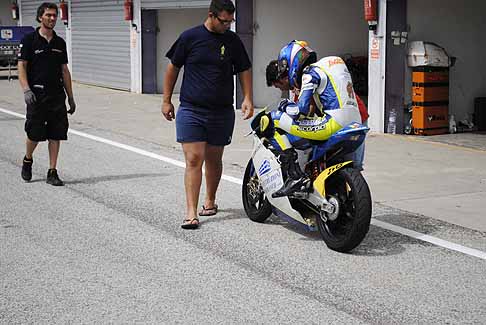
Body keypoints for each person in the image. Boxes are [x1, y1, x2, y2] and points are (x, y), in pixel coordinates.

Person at [162, 0, 253, 229]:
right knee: (194, 159)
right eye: (224, 21)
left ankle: (210, 200)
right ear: (211, 15)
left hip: (221, 111)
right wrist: (166, 100)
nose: (228, 26)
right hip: (192, 109)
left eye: (231, 21)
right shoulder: (190, 37)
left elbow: (244, 68)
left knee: (214, 159)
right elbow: (173, 67)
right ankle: (191, 212)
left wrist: (248, 99)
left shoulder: (232, 41)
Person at [264, 40, 362, 198]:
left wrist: (284, 105)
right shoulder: (329, 65)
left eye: (286, 67)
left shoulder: (310, 73)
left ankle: (294, 177)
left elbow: (300, 109)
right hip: (355, 122)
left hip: (333, 123)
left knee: (273, 120)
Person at [17, 2, 76, 186]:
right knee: (34, 134)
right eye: (48, 15)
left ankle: (52, 171)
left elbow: (64, 70)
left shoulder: (60, 43)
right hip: (36, 95)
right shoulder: (29, 40)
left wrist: (71, 98)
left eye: (54, 15)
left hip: (56, 95)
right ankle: (28, 159)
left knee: (56, 134)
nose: (52, 18)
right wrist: (26, 89)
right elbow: (22, 66)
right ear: (40, 17)